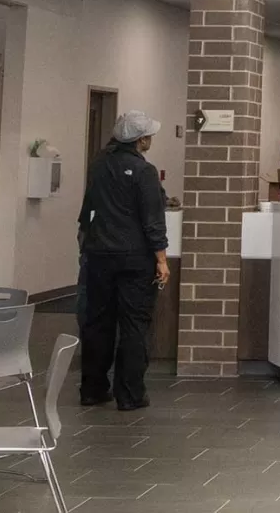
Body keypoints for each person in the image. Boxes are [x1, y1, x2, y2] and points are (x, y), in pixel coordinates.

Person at [77, 110, 171, 411]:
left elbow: (86, 211)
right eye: (150, 136)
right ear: (141, 139)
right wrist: (161, 259)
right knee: (133, 325)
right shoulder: (144, 172)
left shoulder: (99, 165)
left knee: (97, 322)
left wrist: (87, 246)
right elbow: (152, 220)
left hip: (98, 256)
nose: (151, 139)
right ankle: (130, 394)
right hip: (134, 259)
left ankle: (92, 388)